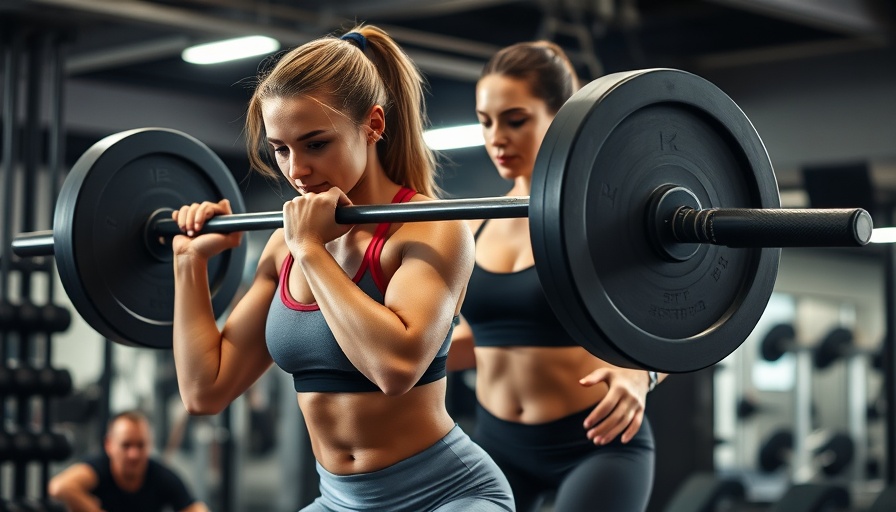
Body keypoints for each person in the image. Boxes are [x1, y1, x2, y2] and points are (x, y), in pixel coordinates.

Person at [168, 24, 514, 512]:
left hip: (445, 495)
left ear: (372, 124)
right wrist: (190, 265)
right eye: (281, 149)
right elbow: (207, 390)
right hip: (339, 501)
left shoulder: (431, 229)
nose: (296, 170)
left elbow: (395, 369)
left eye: (315, 144)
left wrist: (311, 251)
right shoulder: (281, 249)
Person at [447, 41, 665, 512]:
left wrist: (641, 374)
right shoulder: (475, 223)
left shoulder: (597, 217)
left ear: (560, 116)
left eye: (515, 119)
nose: (496, 138)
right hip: (495, 444)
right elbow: (480, 339)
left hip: (596, 442)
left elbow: (677, 319)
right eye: (485, 121)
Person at [47, 410, 208, 512]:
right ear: (109, 445)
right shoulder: (99, 467)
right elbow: (59, 487)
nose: (134, 454)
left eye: (140, 445)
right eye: (126, 445)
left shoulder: (161, 476)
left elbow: (197, 508)